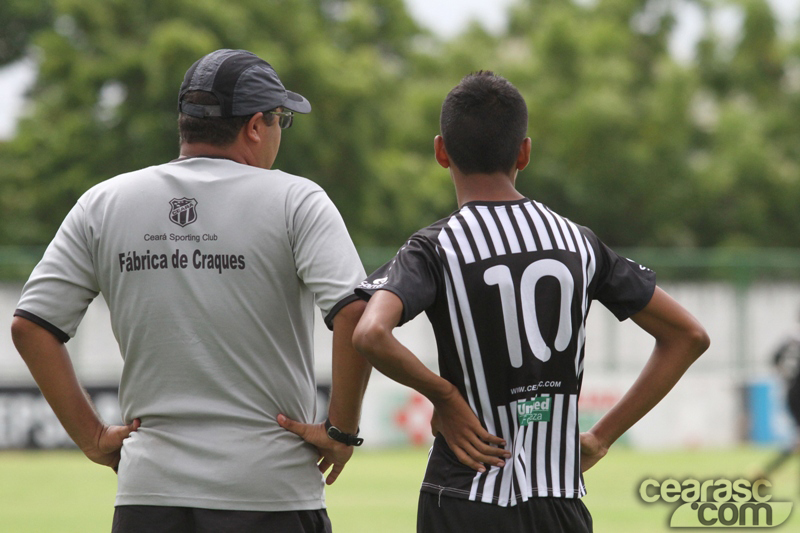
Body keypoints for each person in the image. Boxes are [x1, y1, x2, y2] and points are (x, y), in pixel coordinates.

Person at [11, 49, 371, 533]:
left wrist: (92, 437)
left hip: (148, 493)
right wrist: (341, 430)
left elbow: (31, 325)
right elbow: (354, 315)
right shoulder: (296, 200)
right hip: (270, 490)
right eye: (282, 118)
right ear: (256, 126)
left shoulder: (104, 202)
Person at [349, 71, 710, 532]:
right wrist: (600, 437)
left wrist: (445, 396)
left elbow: (370, 332)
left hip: (464, 495)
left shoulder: (436, 247)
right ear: (524, 151)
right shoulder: (578, 242)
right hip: (558, 502)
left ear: (441, 152)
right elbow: (688, 335)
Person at [758, 314, 800, 478]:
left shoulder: (791, 337)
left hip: (791, 392)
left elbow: (774, 359)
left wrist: (786, 378)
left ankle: (766, 471)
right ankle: (766, 471)